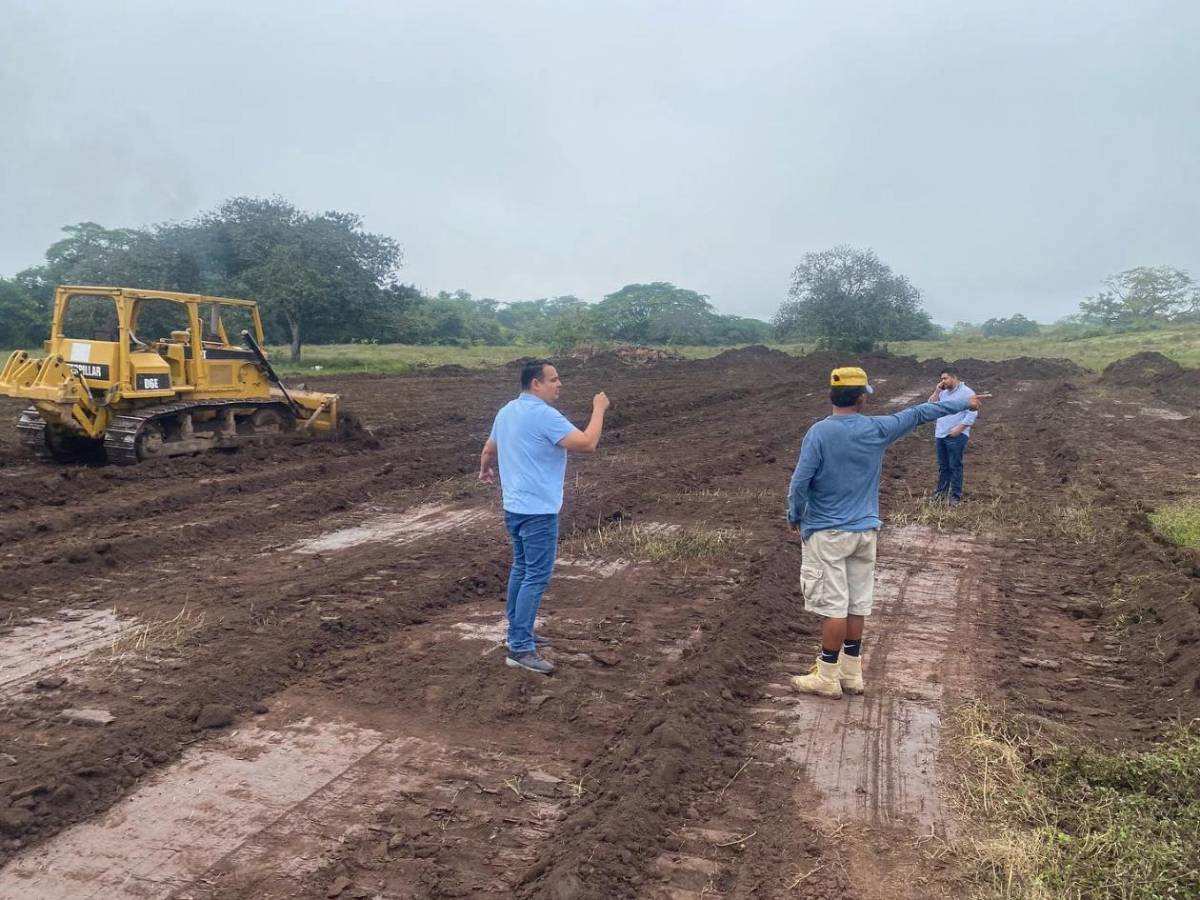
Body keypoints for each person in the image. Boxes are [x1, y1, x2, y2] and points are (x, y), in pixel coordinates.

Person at [786, 366, 985, 698]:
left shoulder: (818, 433)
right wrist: (966, 403)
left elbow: (800, 481)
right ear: (862, 398)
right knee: (856, 606)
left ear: (831, 395)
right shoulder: (878, 429)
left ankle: (826, 676)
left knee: (834, 607)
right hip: (865, 532)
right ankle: (852, 674)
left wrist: (794, 515)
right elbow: (920, 413)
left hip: (827, 533)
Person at [479, 360, 610, 675]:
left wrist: (485, 468)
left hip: (514, 508)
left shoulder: (507, 410)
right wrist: (599, 408)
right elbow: (587, 443)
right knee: (535, 576)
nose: (559, 384)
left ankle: (518, 632)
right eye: (553, 379)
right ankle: (521, 647)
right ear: (535, 384)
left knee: (522, 569)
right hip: (538, 512)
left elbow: (488, 449)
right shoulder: (544, 415)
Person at [928, 366, 977, 505]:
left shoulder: (967, 392)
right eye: (941, 379)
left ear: (954, 377)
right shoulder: (942, 393)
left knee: (955, 465)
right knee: (943, 466)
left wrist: (959, 429)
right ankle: (940, 494)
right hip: (941, 434)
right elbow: (930, 407)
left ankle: (955, 496)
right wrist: (937, 391)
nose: (943, 381)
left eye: (945, 378)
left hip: (957, 435)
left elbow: (972, 413)